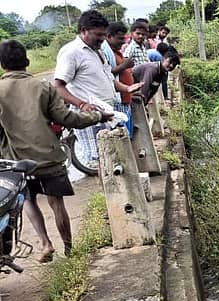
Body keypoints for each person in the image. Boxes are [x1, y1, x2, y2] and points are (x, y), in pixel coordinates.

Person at [0, 40, 112, 261]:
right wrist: (97, 116)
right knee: (56, 203)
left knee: (29, 201)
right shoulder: (44, 87)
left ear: (2, 65)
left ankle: (45, 243)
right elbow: (66, 118)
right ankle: (69, 250)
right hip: (49, 157)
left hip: (17, 162)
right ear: (27, 61)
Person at [54, 10, 142, 168]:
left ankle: (116, 193)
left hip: (107, 110)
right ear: (83, 31)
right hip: (89, 114)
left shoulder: (98, 50)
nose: (102, 38)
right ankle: (108, 192)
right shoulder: (71, 52)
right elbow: (59, 86)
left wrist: (127, 89)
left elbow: (108, 78)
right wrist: (82, 104)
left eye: (104, 34)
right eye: (98, 34)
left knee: (114, 159)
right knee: (101, 161)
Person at [103, 22, 135, 137]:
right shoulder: (104, 52)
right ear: (109, 36)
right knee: (122, 136)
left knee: (128, 135)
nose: (123, 41)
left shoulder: (115, 51)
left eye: (124, 38)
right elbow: (105, 75)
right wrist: (124, 66)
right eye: (120, 38)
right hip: (117, 100)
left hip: (125, 99)